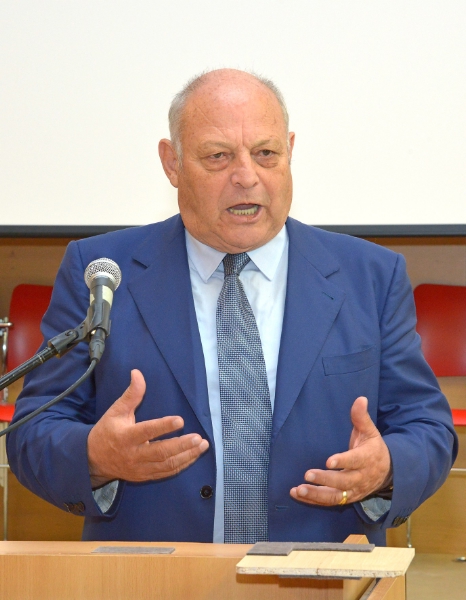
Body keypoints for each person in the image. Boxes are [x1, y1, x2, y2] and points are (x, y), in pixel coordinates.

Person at [7, 69, 457, 545]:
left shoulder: (370, 276)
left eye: (266, 153)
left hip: (323, 570)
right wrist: (94, 457)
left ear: (290, 151)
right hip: (152, 572)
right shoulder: (102, 274)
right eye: (218, 156)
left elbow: (427, 427)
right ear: (172, 163)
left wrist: (386, 468)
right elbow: (33, 431)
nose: (246, 177)